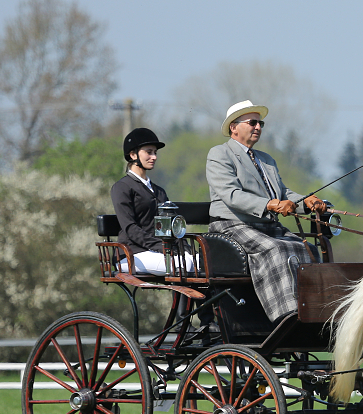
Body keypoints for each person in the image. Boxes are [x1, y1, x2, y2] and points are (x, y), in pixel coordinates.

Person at [206, 100, 326, 322]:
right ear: (234, 127)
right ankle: (287, 316)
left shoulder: (266, 160)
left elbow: (282, 192)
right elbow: (231, 195)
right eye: (252, 122)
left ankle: (315, 311)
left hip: (266, 225)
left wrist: (306, 201)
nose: (258, 127)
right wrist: (269, 205)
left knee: (309, 250)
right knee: (277, 249)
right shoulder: (220, 154)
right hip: (232, 225)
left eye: (260, 123)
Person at [111, 128, 192, 276]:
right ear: (133, 154)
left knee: (202, 262)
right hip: (131, 254)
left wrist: (184, 247)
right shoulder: (122, 188)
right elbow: (130, 227)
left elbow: (171, 225)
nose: (154, 157)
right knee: (183, 265)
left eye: (155, 152)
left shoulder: (159, 191)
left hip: (159, 251)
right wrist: (161, 246)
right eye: (149, 152)